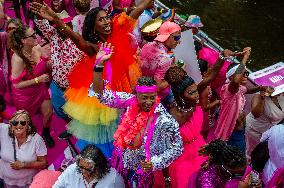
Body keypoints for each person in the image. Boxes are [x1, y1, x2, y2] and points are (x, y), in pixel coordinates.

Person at [30, 0, 151, 156]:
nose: (106, 21)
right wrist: (55, 19)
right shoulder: (93, 48)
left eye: (107, 17)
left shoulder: (120, 29)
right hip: (105, 94)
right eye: (100, 19)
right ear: (93, 28)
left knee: (130, 122)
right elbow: (74, 37)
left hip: (124, 88)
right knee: (110, 131)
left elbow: (140, 8)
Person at [89, 45, 183, 187]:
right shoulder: (129, 101)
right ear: (136, 95)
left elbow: (178, 147)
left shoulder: (164, 119)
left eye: (152, 97)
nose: (149, 102)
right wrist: (99, 65)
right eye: (144, 97)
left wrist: (154, 163)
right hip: (121, 157)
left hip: (141, 170)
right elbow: (100, 93)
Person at [164, 48, 237, 188]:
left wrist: (222, 57)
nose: (196, 95)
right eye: (191, 93)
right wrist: (166, 177)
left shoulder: (193, 94)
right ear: (180, 95)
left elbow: (210, 76)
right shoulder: (172, 116)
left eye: (195, 90)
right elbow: (165, 147)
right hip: (182, 160)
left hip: (200, 147)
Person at [214, 47, 268, 152]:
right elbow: (235, 81)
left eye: (246, 73)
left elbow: (247, 90)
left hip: (239, 131)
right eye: (242, 73)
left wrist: (259, 88)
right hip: (231, 133)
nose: (245, 76)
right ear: (231, 77)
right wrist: (245, 57)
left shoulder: (239, 88)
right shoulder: (230, 89)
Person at [9, 25, 55, 147]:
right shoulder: (18, 59)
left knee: (49, 112)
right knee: (26, 120)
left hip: (40, 89)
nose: (36, 36)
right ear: (24, 40)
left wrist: (49, 63)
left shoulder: (38, 48)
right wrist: (37, 80)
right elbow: (16, 84)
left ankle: (45, 132)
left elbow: (45, 62)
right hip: (25, 95)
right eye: (33, 35)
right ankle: (27, 138)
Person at [0, 110, 48, 188]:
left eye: (22, 122)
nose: (18, 125)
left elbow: (43, 163)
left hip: (28, 182)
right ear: (11, 124)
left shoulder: (37, 139)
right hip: (7, 180)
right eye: (15, 122)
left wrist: (24, 165)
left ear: (28, 125)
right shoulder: (3, 130)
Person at [140, 21, 181, 107]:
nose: (179, 41)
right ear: (167, 37)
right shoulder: (165, 59)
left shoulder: (147, 45)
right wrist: (173, 78)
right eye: (177, 38)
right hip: (157, 96)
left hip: (142, 86)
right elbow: (158, 87)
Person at [191, 139, 261, 188]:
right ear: (222, 167)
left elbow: (249, 171)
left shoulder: (237, 165)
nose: (244, 174)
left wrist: (256, 183)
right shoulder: (206, 182)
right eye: (237, 174)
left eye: (244, 169)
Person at [53, 144, 125, 188]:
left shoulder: (114, 179)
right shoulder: (72, 169)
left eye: (88, 169)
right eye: (81, 167)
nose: (83, 171)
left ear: (99, 166)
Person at [245, 90, 284, 160]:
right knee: (251, 152)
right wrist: (262, 97)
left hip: (269, 133)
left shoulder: (281, 95)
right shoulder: (259, 96)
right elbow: (256, 114)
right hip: (254, 130)